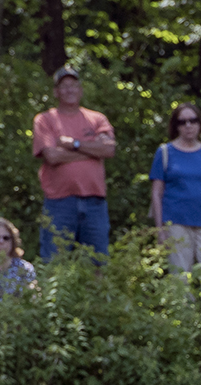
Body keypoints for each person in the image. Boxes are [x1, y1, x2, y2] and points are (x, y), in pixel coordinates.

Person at [32, 66, 116, 261]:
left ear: (81, 89)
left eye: (74, 85)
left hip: (94, 201)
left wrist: (74, 144)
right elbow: (51, 156)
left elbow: (109, 150)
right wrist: (91, 151)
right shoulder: (45, 120)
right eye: (64, 86)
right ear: (56, 92)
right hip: (59, 202)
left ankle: (96, 293)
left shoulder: (96, 119)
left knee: (97, 261)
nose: (70, 90)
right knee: (54, 262)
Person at [149, 102, 201, 271]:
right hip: (176, 222)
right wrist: (160, 230)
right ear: (176, 126)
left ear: (200, 123)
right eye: (182, 122)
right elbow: (157, 193)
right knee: (180, 278)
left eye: (193, 120)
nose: (188, 126)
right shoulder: (165, 152)